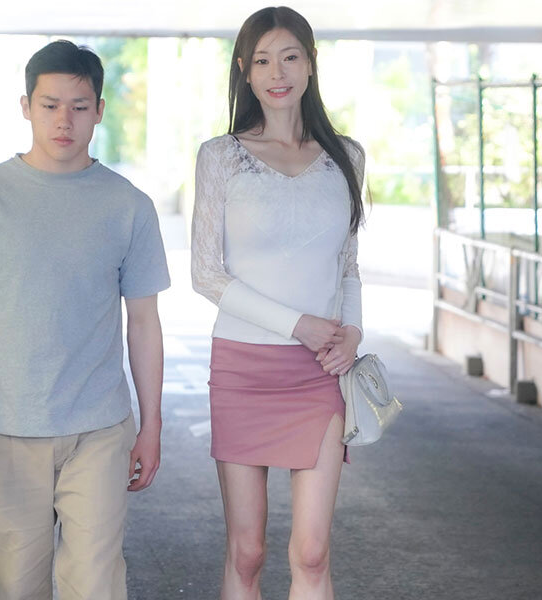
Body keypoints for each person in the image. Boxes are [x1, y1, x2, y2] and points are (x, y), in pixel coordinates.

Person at [0, 40, 170, 600]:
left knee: (96, 585)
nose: (64, 121)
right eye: (50, 105)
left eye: (79, 107)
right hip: (6, 425)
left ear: (99, 111)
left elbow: (144, 323)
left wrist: (151, 424)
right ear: (26, 107)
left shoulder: (129, 205)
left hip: (99, 427)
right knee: (16, 587)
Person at [190, 6, 366, 599]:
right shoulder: (221, 156)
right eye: (262, 60)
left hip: (320, 372)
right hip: (242, 368)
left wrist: (352, 332)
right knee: (247, 552)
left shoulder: (347, 157)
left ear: (310, 64)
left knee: (312, 552)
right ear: (245, 71)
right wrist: (299, 325)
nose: (277, 72)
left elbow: (348, 265)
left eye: (289, 57)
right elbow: (206, 275)